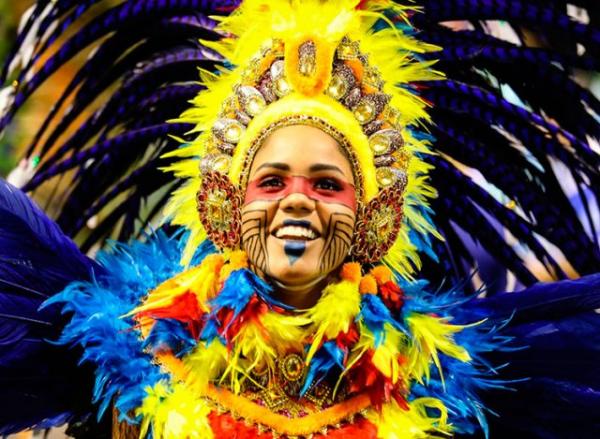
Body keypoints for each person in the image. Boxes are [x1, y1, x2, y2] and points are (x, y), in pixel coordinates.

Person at [1, 1, 599, 438]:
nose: (296, 201)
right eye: (271, 181)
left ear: (374, 216)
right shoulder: (136, 360)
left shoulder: (438, 381)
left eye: (327, 184)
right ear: (225, 207)